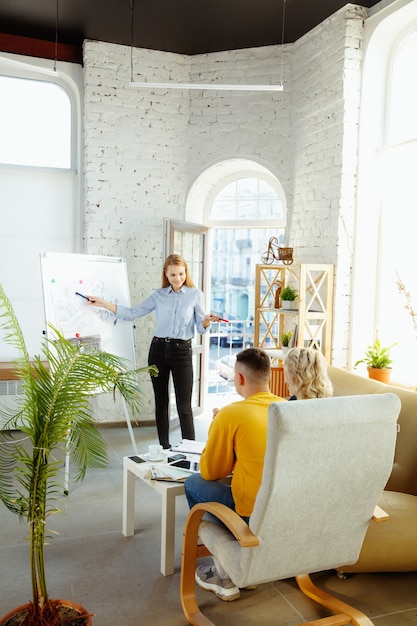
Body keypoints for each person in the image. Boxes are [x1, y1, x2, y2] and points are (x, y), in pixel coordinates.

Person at [87, 254, 220, 449]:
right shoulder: (158, 296)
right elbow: (132, 313)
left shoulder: (195, 295)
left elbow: (201, 327)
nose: (177, 278)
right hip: (158, 351)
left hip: (182, 352)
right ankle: (164, 448)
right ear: (166, 273)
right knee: (161, 402)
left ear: (186, 273)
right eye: (173, 274)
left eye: (181, 274)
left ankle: (189, 451)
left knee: (184, 407)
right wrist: (103, 303)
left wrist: (208, 320)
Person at [184, 347, 285, 602]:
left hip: (251, 512)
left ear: (239, 378)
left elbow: (211, 471)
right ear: (268, 377)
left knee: (193, 483)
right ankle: (244, 564)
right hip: (285, 509)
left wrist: (217, 427)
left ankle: (223, 572)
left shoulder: (232, 413)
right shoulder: (288, 408)